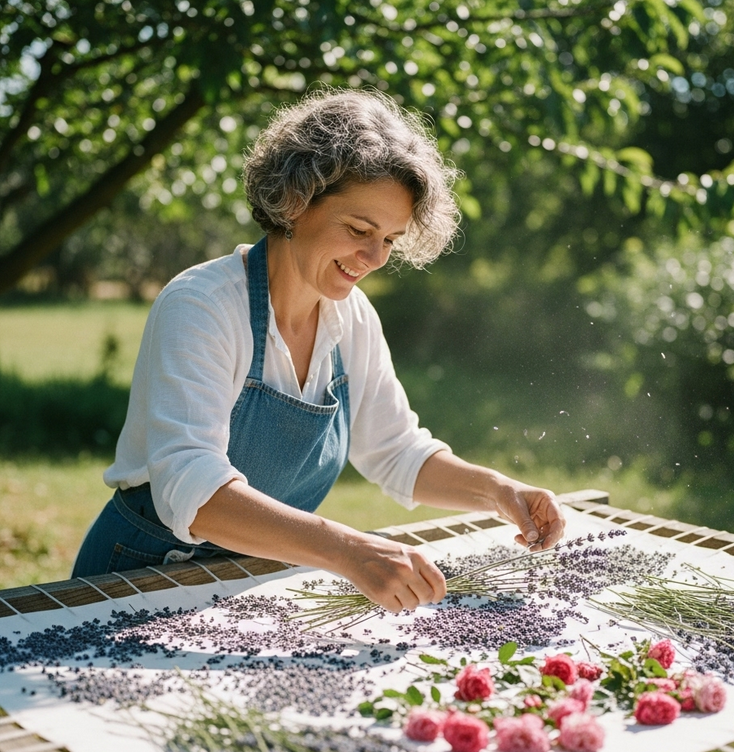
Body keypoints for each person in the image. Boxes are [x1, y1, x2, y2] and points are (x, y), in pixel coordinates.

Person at [72, 88, 567, 612]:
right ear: (296, 201)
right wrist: (349, 550)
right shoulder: (201, 307)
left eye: (391, 240)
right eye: (359, 230)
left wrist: (499, 492)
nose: (375, 257)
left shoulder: (352, 318)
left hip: (247, 583)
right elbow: (192, 491)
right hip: (134, 582)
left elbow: (396, 450)